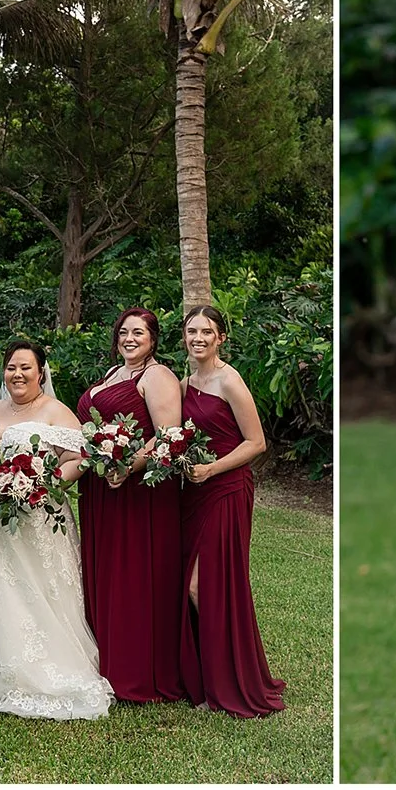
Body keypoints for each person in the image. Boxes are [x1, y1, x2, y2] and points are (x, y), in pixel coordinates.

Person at [0, 340, 114, 719]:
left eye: (26, 368)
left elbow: (80, 456)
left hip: (33, 518)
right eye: (12, 367)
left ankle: (29, 668)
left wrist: (42, 486)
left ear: (41, 372)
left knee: (30, 590)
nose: (17, 375)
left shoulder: (55, 411)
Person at [177, 305, 287, 716]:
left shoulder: (230, 380)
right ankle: (207, 678)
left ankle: (229, 680)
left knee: (202, 586)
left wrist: (212, 469)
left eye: (207, 331)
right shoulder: (185, 383)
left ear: (221, 337)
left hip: (225, 488)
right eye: (192, 331)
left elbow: (256, 442)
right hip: (192, 492)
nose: (198, 338)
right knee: (193, 585)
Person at [77, 307, 187, 703]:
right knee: (107, 573)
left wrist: (127, 465)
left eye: (138, 333)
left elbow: (168, 435)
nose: (129, 339)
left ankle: (135, 669)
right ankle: (107, 660)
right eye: (124, 332)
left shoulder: (157, 376)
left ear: (153, 339)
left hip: (139, 495)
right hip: (103, 493)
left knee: (133, 575)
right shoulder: (113, 375)